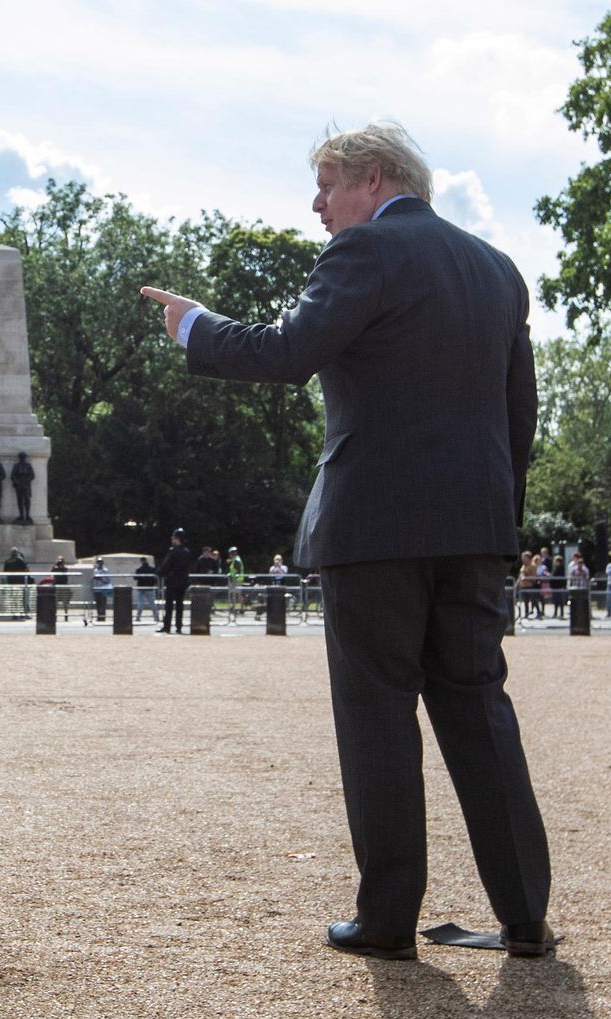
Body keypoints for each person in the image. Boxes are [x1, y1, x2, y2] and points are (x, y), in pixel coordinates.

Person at [140, 120, 553, 959]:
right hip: (475, 527)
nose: (317, 204)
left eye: (327, 184)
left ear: (374, 177)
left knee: (378, 718)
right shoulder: (498, 270)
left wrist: (196, 326)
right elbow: (521, 418)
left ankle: (388, 919)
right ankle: (524, 917)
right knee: (480, 710)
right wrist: (495, 522)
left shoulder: (366, 252)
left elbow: (289, 351)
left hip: (375, 527)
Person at [155, 530, 193, 633]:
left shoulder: (173, 551)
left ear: (177, 539)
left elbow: (166, 566)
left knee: (169, 605)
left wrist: (159, 572)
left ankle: (167, 626)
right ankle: (179, 626)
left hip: (172, 581)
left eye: (173, 538)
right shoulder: (187, 552)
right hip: (183, 581)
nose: (172, 540)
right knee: (180, 605)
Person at [11, 452, 35, 523]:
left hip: (26, 484)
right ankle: (21, 515)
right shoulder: (16, 466)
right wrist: (17, 482)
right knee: (20, 500)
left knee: (27, 500)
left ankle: (27, 515)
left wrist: (26, 481)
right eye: (21, 457)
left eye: (23, 457)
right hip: (19, 485)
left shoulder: (28, 465)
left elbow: (32, 475)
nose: (22, 458)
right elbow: (12, 475)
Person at [134, 557, 159, 621]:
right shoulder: (152, 569)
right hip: (150, 588)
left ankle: (138, 617)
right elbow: (155, 578)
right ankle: (156, 617)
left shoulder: (139, 569)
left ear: (141, 561)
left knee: (140, 603)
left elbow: (135, 578)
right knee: (152, 603)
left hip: (141, 588)